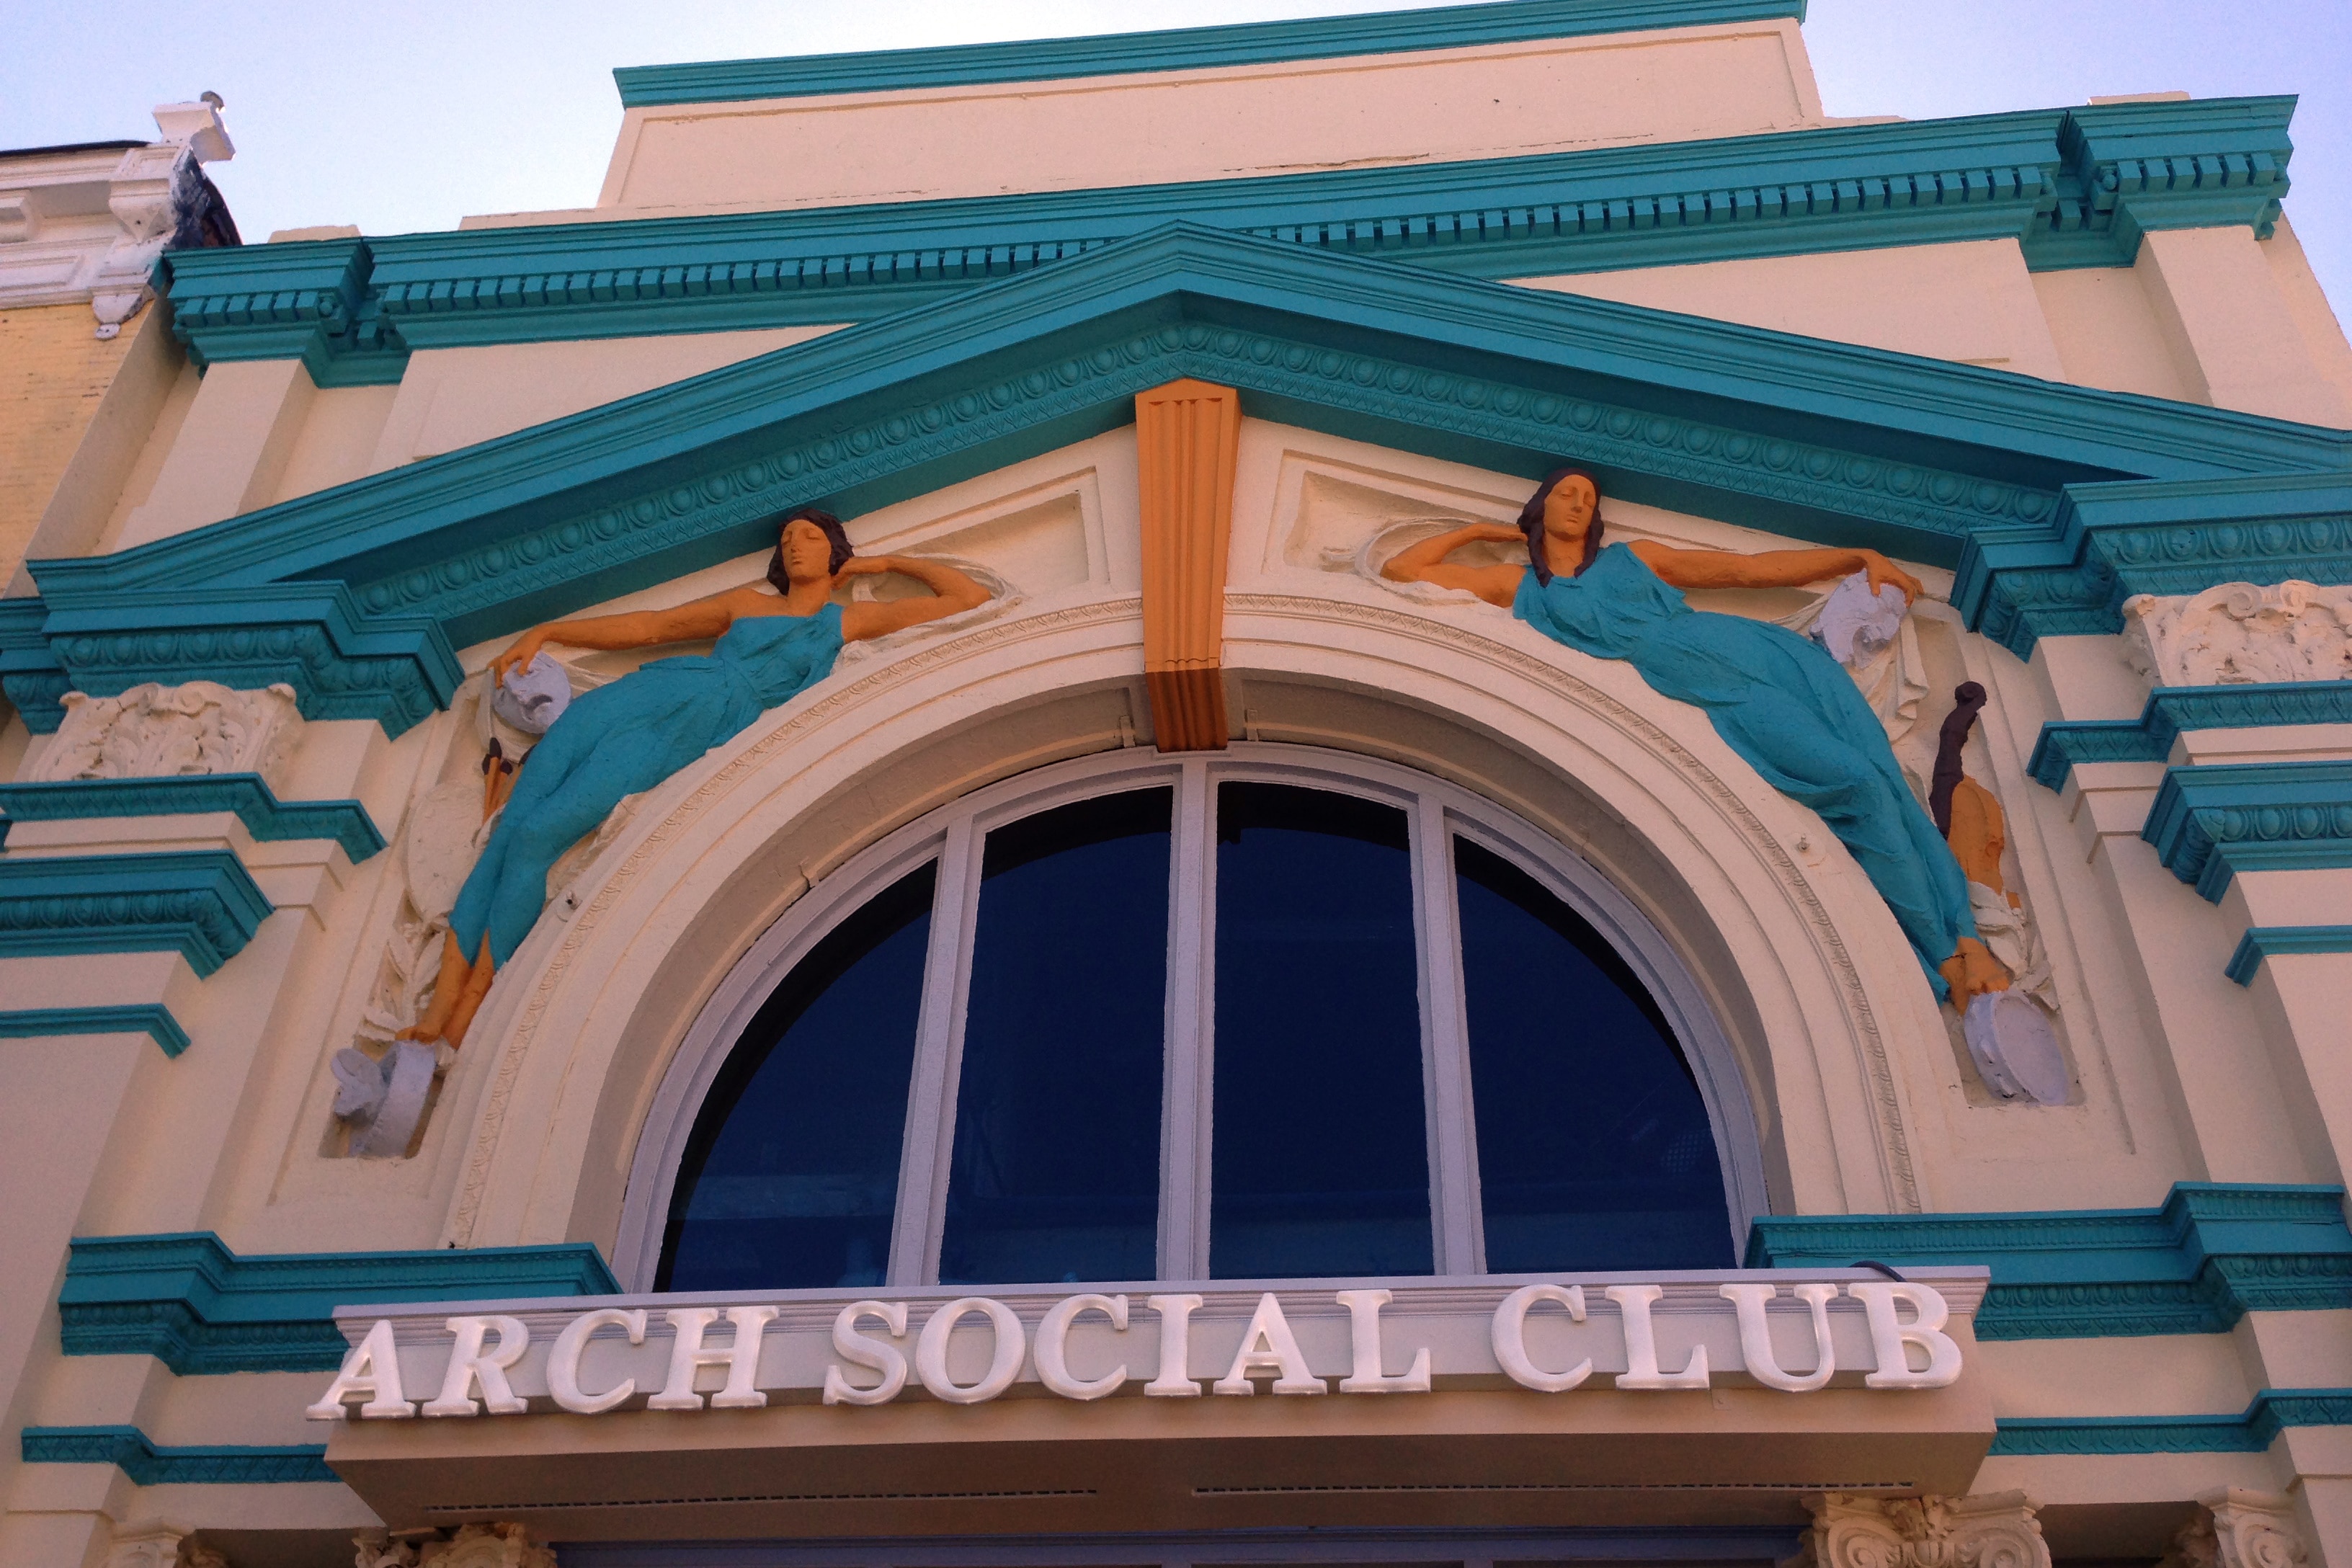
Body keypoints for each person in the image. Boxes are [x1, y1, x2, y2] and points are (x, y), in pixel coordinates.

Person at [1382, 466, 2008, 1007]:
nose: (1579, 505)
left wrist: (1853, 559)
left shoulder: (1636, 559)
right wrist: (1479, 533)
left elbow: (1747, 570)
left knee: (1881, 780)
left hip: (1761, 654)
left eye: (1590, 500)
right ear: (1540, 505)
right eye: (1567, 493)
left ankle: (1966, 940)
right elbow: (1404, 569)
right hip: (1714, 688)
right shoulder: (1521, 589)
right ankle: (1943, 954)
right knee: (1854, 785)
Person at [406, 507, 991, 1048]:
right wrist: (551, 631)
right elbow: (650, 627)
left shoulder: (845, 621)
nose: (794, 546)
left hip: (690, 728)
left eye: (810, 537)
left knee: (540, 835)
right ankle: (436, 1013)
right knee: (510, 829)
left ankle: (470, 1015)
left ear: (837, 551)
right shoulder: (745, 603)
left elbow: (967, 595)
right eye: (786, 539)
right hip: (647, 692)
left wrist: (885, 564)